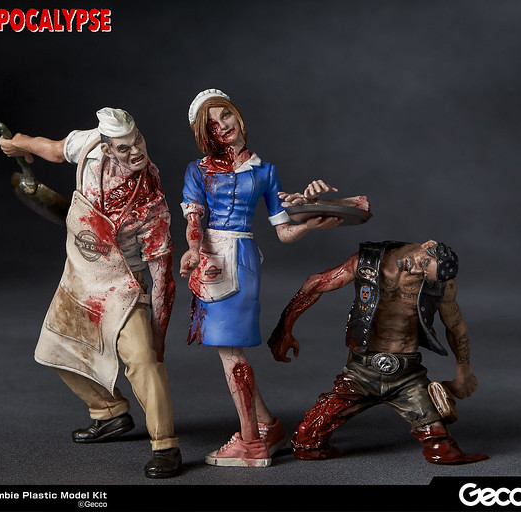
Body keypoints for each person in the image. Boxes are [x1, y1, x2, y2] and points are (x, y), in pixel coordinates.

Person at [0, 108, 182, 478]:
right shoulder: (89, 145)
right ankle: (109, 412)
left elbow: (163, 275)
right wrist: (20, 144)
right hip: (82, 274)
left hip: (123, 284)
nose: (136, 151)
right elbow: (54, 150)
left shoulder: (152, 203)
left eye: (138, 140)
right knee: (55, 348)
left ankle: (166, 446)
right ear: (107, 146)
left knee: (143, 361)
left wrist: (158, 334)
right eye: (124, 147)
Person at [179, 89, 341, 467]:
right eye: (211, 124)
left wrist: (310, 223)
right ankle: (268, 426)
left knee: (231, 352)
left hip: (242, 259)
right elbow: (194, 219)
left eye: (225, 115)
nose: (223, 126)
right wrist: (194, 250)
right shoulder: (198, 170)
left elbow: (283, 231)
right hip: (211, 259)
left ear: (237, 114)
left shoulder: (265, 171)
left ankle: (251, 442)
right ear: (204, 134)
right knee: (228, 349)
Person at [268, 239, 489, 464]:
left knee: (442, 447)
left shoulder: (441, 284)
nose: (416, 271)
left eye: (425, 273)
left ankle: (438, 442)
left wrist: (464, 370)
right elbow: (317, 284)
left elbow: (455, 325)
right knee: (306, 442)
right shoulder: (366, 262)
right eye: (423, 263)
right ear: (427, 245)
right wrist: (284, 328)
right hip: (361, 372)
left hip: (407, 376)